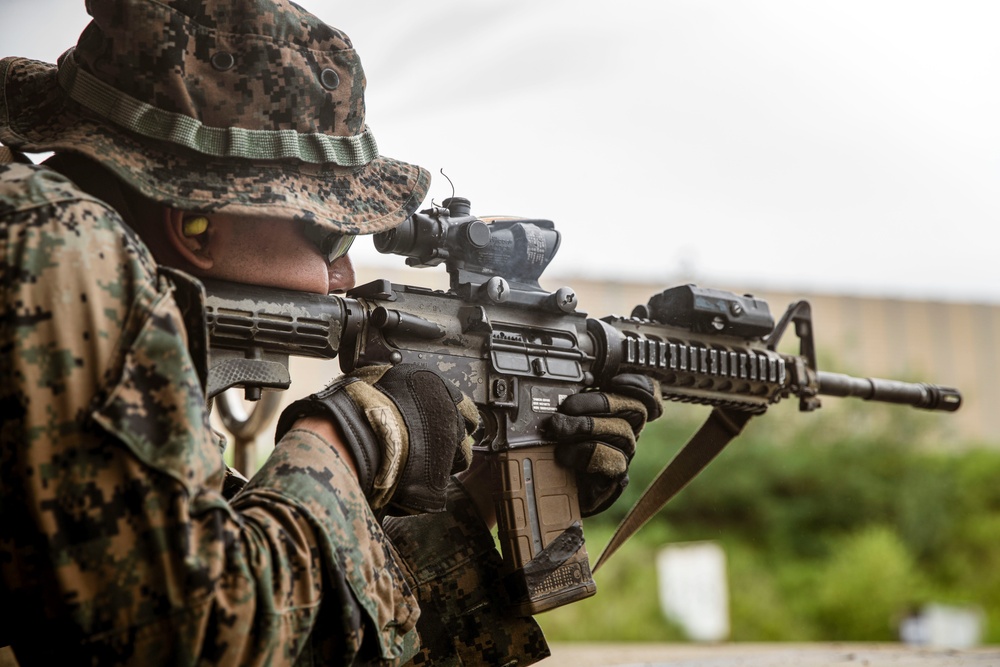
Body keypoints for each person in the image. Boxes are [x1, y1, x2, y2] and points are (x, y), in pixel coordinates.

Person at [0, 0, 662, 665]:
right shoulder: (59, 245)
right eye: (332, 233)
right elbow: (190, 640)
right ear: (195, 219)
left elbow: (280, 619)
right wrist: (353, 433)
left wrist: (485, 490)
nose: (343, 274)